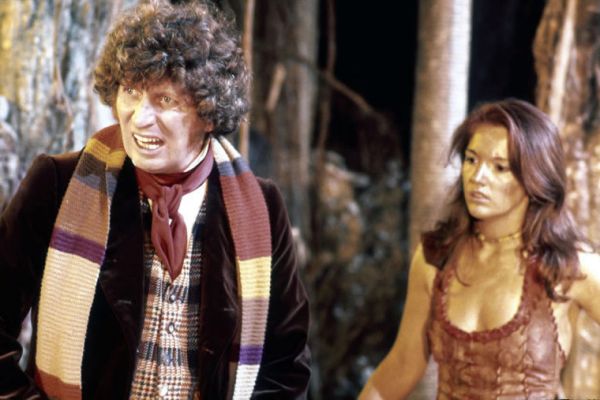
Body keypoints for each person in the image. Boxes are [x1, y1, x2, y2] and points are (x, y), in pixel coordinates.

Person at [0, 2, 310, 399]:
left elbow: (285, 366)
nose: (138, 118)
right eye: (131, 91)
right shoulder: (57, 185)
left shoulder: (262, 208)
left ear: (209, 112)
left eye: (164, 100)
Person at [359, 99, 600, 399]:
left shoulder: (568, 266)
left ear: (535, 178)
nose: (478, 177)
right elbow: (401, 366)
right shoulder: (436, 258)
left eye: (499, 167)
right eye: (472, 160)